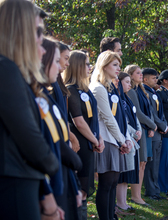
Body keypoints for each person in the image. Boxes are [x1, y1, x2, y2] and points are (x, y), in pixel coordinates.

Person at [0, 1, 59, 219]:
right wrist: (55, 165)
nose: (41, 45)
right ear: (21, 31)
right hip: (14, 187)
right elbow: (28, 137)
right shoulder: (5, 68)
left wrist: (45, 191)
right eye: (38, 33)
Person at [41, 37, 84, 220]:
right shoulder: (40, 95)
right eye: (57, 60)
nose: (61, 65)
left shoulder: (51, 91)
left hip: (63, 171)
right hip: (53, 176)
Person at [89, 51, 132, 220]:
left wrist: (126, 139)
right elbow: (107, 118)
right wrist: (122, 141)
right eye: (115, 64)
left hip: (115, 140)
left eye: (118, 64)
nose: (118, 68)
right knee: (106, 185)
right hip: (106, 140)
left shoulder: (111, 87)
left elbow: (120, 117)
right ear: (104, 65)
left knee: (113, 183)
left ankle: (110, 216)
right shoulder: (98, 87)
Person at [63, 50, 104, 220]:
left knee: (86, 188)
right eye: (87, 64)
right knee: (80, 188)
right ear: (78, 66)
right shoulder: (70, 90)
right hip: (80, 143)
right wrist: (95, 140)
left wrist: (99, 138)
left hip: (91, 141)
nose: (90, 67)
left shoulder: (85, 89)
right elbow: (78, 122)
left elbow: (93, 118)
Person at [125, 64, 157, 205]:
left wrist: (151, 127)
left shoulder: (141, 90)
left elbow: (148, 110)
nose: (140, 75)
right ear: (130, 75)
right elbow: (137, 112)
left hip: (145, 129)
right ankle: (135, 196)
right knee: (139, 163)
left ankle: (138, 195)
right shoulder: (131, 91)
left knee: (143, 162)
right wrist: (152, 124)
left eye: (140, 73)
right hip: (138, 130)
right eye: (137, 73)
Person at [116, 72, 141, 211]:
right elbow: (122, 119)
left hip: (133, 137)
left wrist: (139, 130)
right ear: (119, 82)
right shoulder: (117, 98)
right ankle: (120, 202)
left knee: (129, 172)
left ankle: (124, 201)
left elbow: (134, 116)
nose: (129, 85)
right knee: (123, 172)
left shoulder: (128, 98)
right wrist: (132, 132)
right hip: (125, 138)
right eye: (126, 82)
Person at [142, 68, 168, 199]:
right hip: (152, 131)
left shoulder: (155, 92)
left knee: (156, 163)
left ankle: (156, 190)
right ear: (145, 79)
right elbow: (151, 112)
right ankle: (150, 191)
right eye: (153, 78)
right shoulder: (144, 92)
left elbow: (160, 111)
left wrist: (164, 124)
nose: (156, 80)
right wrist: (160, 125)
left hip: (159, 131)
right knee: (150, 164)